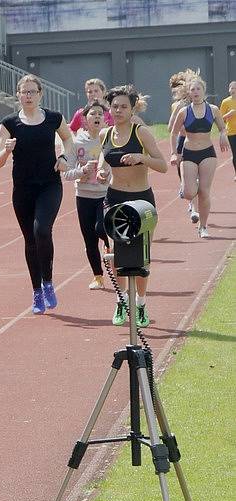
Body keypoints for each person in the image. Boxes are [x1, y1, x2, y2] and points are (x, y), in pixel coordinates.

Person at [0, 73, 73, 314]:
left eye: (32, 92)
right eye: (24, 92)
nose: (28, 96)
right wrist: (6, 152)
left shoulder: (53, 118)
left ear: (40, 94)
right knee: (30, 240)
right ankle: (36, 290)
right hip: (23, 189)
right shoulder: (9, 123)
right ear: (18, 95)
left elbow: (69, 139)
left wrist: (64, 157)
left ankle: (48, 282)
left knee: (42, 230)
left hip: (50, 185)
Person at [97, 85, 167, 328]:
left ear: (132, 108)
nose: (118, 110)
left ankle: (141, 304)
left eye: (123, 106)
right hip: (115, 197)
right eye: (114, 106)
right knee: (119, 250)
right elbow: (103, 160)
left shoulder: (141, 133)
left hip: (141, 200)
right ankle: (121, 300)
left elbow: (162, 165)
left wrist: (141, 158)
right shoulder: (105, 134)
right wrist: (101, 172)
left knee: (141, 255)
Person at [170, 75, 230, 238]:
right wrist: (174, 153)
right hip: (188, 153)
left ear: (204, 91)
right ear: (189, 93)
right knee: (190, 193)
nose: (195, 92)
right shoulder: (184, 111)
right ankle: (188, 187)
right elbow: (174, 132)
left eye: (198, 89)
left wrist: (223, 134)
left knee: (204, 191)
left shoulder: (213, 109)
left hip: (207, 153)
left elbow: (222, 127)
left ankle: (203, 227)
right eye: (192, 89)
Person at [63, 101, 110, 289]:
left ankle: (108, 243)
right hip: (83, 196)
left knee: (101, 228)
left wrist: (107, 174)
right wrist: (81, 171)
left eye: (100, 114)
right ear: (85, 119)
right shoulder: (76, 143)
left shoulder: (109, 139)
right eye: (93, 114)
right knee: (89, 238)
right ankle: (98, 276)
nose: (97, 117)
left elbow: (116, 165)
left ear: (105, 118)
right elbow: (66, 173)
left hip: (105, 193)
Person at [167, 71, 199, 221]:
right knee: (185, 177)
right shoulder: (177, 105)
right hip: (182, 142)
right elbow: (170, 128)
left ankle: (195, 207)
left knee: (197, 176)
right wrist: (178, 111)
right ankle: (187, 192)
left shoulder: (198, 101)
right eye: (174, 90)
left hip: (198, 142)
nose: (176, 92)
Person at [220, 80, 236, 180]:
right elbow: (220, 118)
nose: (234, 90)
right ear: (229, 90)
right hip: (231, 132)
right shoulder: (225, 102)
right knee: (235, 154)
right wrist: (229, 114)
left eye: (235, 88)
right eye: (232, 88)